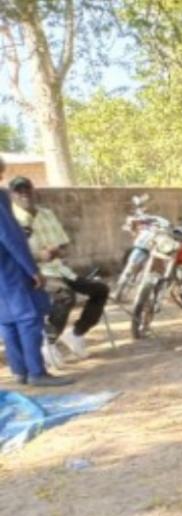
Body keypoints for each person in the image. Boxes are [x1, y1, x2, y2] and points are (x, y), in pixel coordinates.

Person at [9, 177, 109, 361]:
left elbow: (64, 244)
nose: (24, 194)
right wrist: (39, 256)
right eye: (19, 191)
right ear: (12, 195)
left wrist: (58, 251)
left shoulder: (46, 214)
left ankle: (76, 334)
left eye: (27, 189)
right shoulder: (11, 219)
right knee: (65, 295)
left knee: (100, 289)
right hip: (34, 273)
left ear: (33, 190)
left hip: (59, 269)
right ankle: (49, 343)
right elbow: (11, 253)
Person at [0, 161, 71, 388]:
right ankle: (36, 372)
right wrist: (32, 269)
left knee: (8, 321)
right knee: (29, 318)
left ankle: (20, 371)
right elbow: (11, 237)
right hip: (10, 268)